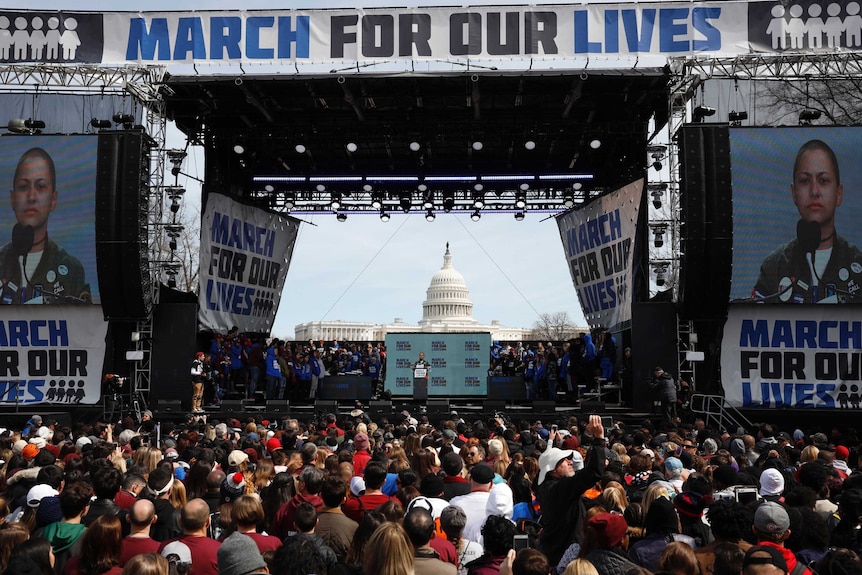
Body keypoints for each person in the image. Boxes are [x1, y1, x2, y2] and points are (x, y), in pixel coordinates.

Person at [754, 139, 862, 303]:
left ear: (839, 194)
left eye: (823, 180)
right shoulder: (774, 267)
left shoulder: (858, 266)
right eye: (805, 181)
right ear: (794, 193)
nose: (814, 191)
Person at [0, 147, 90, 303]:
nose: (31, 197)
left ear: (53, 200)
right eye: (23, 187)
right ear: (13, 198)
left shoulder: (70, 269)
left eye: (40, 187)